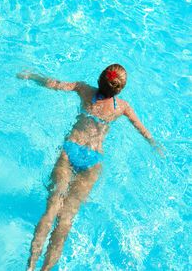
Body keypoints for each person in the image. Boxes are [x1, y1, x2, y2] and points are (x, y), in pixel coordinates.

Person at [17, 64, 161, 271]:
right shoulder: (122, 107)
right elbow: (142, 129)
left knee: (52, 208)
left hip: (71, 149)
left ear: (99, 79)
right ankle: (45, 269)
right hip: (93, 159)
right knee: (66, 219)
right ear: (119, 89)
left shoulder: (83, 89)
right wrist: (154, 145)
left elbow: (54, 84)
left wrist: (31, 75)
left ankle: (30, 266)